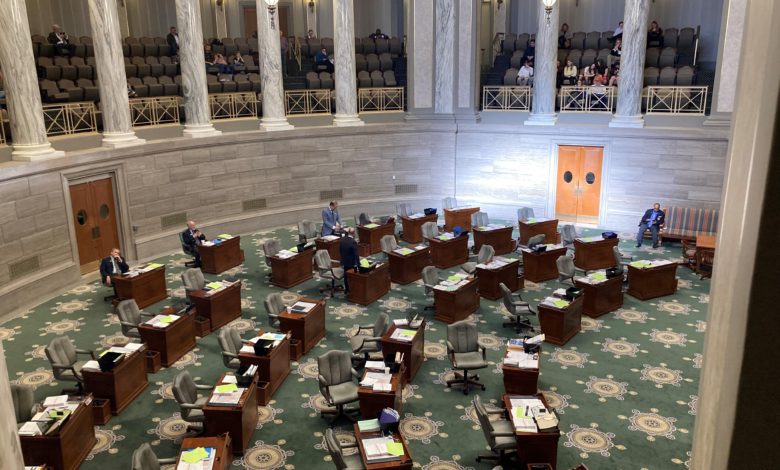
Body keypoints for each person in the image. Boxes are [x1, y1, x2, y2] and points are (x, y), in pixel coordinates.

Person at [339, 227, 359, 295]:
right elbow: (356, 254)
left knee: (346, 276)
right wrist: (358, 264)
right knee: (352, 277)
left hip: (345, 261)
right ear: (353, 233)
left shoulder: (342, 240)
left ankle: (346, 289)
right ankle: (352, 290)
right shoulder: (353, 242)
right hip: (352, 262)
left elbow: (340, 251)